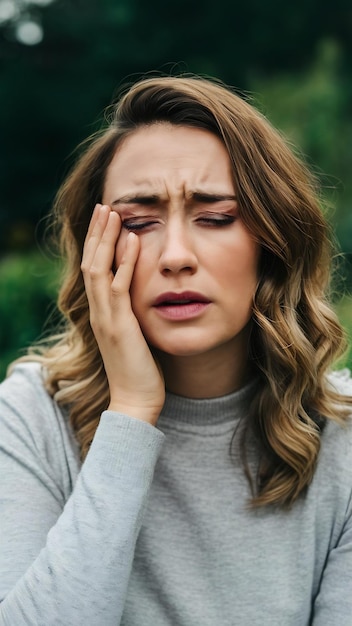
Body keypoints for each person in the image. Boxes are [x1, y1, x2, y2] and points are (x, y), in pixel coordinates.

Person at [0, 75, 351, 626]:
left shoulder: (344, 433)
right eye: (139, 223)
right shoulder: (29, 419)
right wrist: (133, 412)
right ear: (99, 251)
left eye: (215, 218)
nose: (176, 255)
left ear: (274, 242)